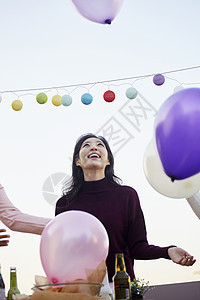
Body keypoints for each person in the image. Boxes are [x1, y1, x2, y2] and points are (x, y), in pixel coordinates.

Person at [56, 133, 196, 282]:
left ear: (108, 160)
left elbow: (138, 247)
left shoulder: (127, 196)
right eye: (86, 145)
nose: (93, 148)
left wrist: (168, 251)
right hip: (80, 289)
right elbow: (63, 255)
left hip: (120, 288)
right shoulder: (65, 204)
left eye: (99, 145)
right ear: (78, 161)